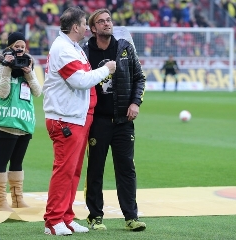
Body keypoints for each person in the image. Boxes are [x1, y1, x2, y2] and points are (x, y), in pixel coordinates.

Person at [42, 7, 116, 236]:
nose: (87, 28)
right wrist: (106, 69)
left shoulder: (72, 47)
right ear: (75, 27)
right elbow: (80, 81)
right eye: (85, 24)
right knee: (64, 171)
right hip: (66, 119)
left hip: (76, 117)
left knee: (73, 172)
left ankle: (66, 217)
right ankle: (53, 221)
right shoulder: (63, 49)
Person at [82, 8, 146, 232]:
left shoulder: (124, 48)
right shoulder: (84, 51)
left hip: (123, 120)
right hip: (97, 120)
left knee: (126, 169)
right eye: (101, 21)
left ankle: (131, 217)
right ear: (93, 28)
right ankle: (95, 216)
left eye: (108, 20)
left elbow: (139, 78)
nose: (107, 24)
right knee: (95, 168)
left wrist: (135, 103)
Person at [0, 31, 42, 212]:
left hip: (25, 120)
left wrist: (29, 73)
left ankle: (18, 199)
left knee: (18, 161)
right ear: (9, 47)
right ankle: (1, 202)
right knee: (2, 160)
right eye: (16, 46)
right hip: (7, 120)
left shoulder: (28, 64)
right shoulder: (0, 66)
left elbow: (37, 92)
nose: (20, 50)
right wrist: (7, 66)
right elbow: (3, 92)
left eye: (22, 47)